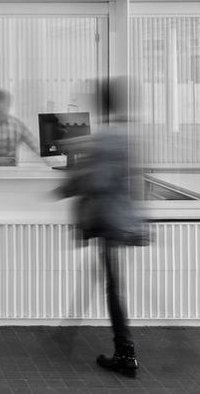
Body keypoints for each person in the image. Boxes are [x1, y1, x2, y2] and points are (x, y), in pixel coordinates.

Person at [55, 76, 148, 377]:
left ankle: (126, 352)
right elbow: (133, 181)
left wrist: (66, 187)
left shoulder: (107, 138)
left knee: (112, 287)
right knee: (109, 282)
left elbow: (96, 179)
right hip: (121, 219)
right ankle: (71, 333)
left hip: (108, 220)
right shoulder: (126, 135)